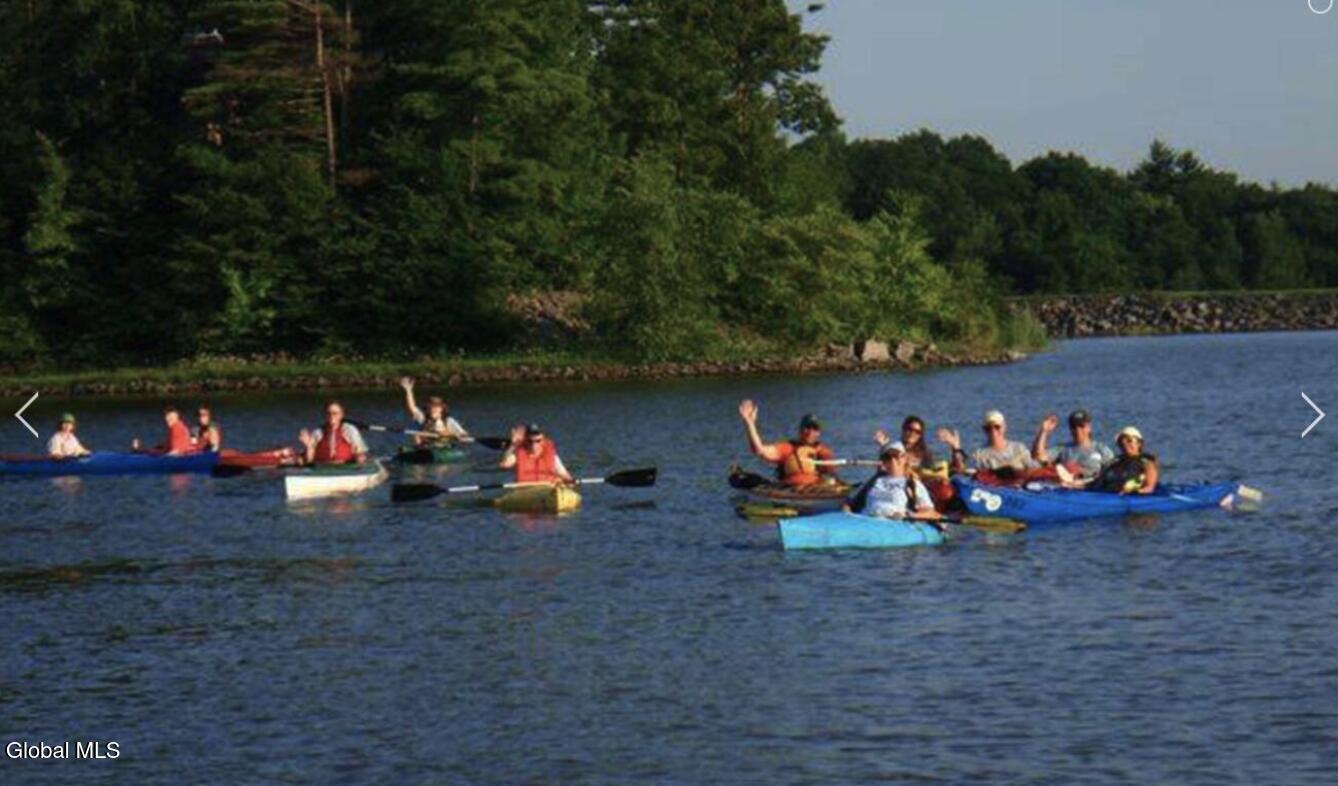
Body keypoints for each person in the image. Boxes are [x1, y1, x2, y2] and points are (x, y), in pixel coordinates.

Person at [738, 399, 837, 487]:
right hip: (791, 492)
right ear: (800, 430)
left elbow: (832, 477)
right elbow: (759, 450)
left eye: (815, 429)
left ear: (819, 433)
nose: (810, 432)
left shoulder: (824, 451)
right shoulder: (787, 448)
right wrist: (750, 423)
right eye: (807, 427)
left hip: (816, 491)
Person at [844, 441, 939, 520]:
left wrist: (910, 515)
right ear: (883, 461)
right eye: (887, 457)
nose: (892, 460)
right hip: (867, 519)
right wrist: (846, 514)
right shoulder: (873, 481)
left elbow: (931, 513)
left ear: (904, 458)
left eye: (896, 455)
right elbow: (849, 504)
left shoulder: (912, 484)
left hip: (894, 523)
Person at [939, 410, 1038, 474]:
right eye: (988, 428)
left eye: (997, 427)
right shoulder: (979, 454)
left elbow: (1034, 469)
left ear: (1004, 427)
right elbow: (962, 469)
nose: (993, 431)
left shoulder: (1019, 448)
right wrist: (955, 447)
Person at [1032, 409, 1114, 478]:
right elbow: (1039, 457)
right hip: (1068, 486)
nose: (1078, 430)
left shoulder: (1101, 449)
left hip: (1091, 485)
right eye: (1074, 427)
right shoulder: (1063, 449)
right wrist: (1044, 431)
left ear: (1089, 428)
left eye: (1081, 426)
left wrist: (1084, 472)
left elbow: (1113, 470)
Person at [400, 377, 470, 445]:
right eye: (431, 407)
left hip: (442, 449)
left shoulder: (448, 421)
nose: (433, 409)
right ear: (427, 408)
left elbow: (464, 434)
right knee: (416, 433)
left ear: (442, 409)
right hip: (424, 449)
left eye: (436, 407)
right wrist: (408, 391)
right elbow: (412, 407)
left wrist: (450, 434)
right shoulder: (422, 418)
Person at [298, 401, 369, 465]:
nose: (331, 416)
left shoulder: (350, 430)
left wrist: (360, 457)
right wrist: (309, 446)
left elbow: (360, 452)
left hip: (345, 467)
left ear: (341, 415)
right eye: (328, 413)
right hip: (323, 467)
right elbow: (310, 460)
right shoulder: (318, 433)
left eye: (335, 413)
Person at [499, 423, 573, 484]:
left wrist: (569, 482)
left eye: (538, 441)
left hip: (548, 489)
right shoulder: (518, 455)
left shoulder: (552, 457)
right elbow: (504, 464)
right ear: (525, 441)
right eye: (530, 441)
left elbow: (567, 477)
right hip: (526, 491)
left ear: (543, 440)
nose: (534, 445)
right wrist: (513, 444)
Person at [1093, 426, 1159, 494]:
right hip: (1106, 495)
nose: (1125, 444)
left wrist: (1135, 492)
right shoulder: (1114, 462)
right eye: (1121, 441)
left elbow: (1149, 488)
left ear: (1139, 444)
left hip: (1131, 498)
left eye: (1129, 440)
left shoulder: (1147, 463)